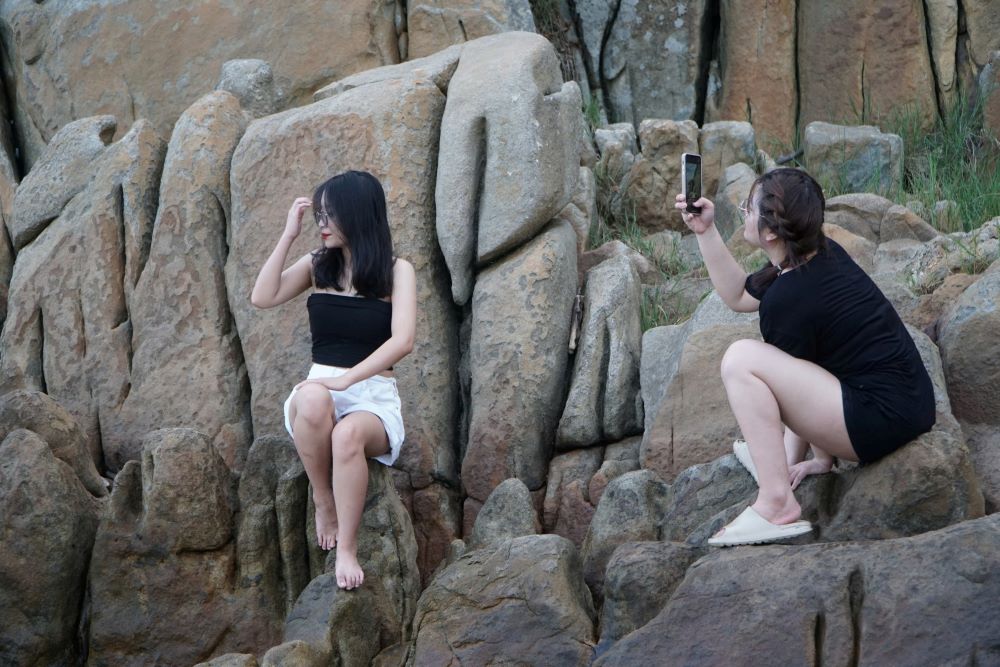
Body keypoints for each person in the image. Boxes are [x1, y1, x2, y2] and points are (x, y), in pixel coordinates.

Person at [674, 167, 935, 547]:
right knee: (764, 361)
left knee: (740, 360)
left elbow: (792, 385)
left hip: (880, 419)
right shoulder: (814, 255)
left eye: (749, 207)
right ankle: (776, 466)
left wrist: (796, 459)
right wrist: (705, 230)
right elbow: (738, 296)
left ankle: (776, 502)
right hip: (905, 403)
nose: (744, 211)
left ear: (770, 232)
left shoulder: (790, 299)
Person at [251, 170, 416, 588]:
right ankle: (323, 500)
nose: (321, 224)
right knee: (310, 401)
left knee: (347, 437)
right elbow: (262, 296)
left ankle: (347, 549)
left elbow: (403, 341)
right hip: (320, 390)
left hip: (373, 396)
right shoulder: (317, 265)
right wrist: (289, 235)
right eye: (319, 215)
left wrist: (348, 381)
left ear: (358, 215)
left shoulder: (398, 272)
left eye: (330, 215)